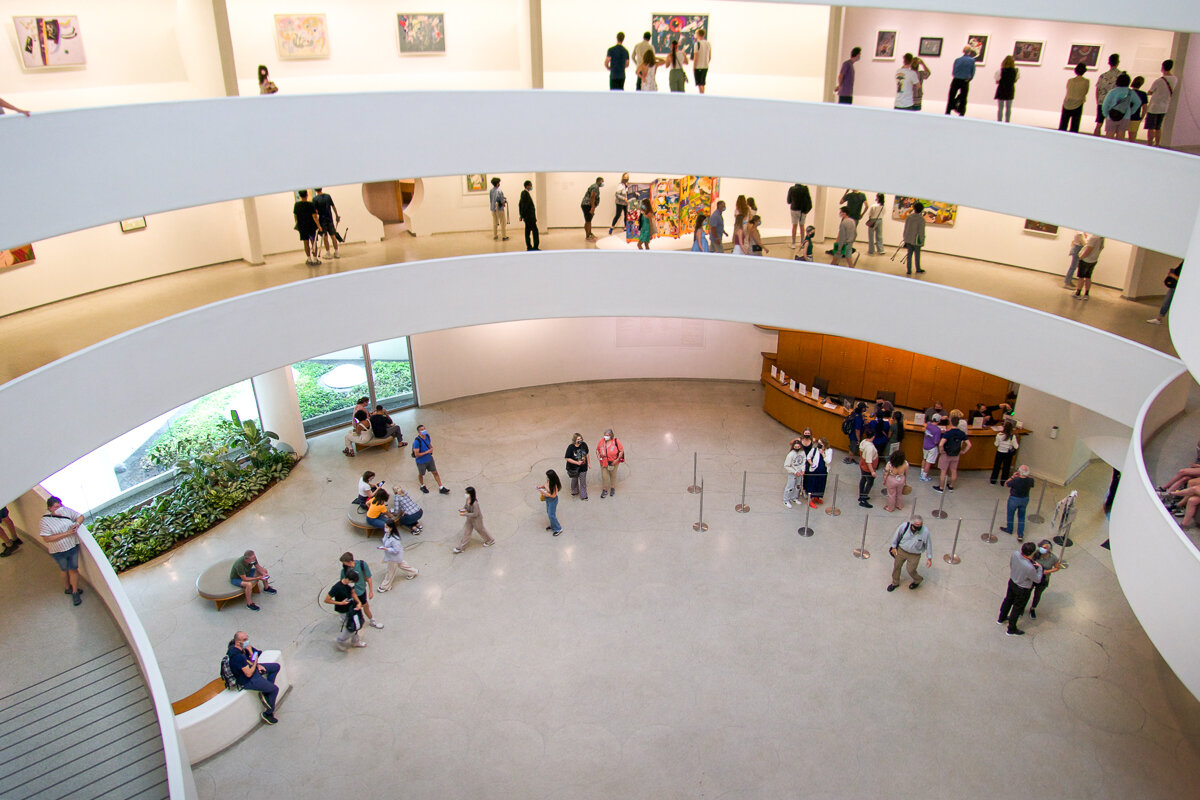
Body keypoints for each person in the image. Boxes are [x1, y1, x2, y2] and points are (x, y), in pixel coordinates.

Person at [226, 631, 281, 724]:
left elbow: (255, 655)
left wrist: (252, 653)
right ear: (237, 642)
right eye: (244, 640)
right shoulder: (237, 656)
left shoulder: (244, 648)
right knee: (275, 689)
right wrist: (255, 664)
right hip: (248, 680)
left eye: (247, 638)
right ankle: (268, 713)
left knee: (275, 667)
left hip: (253, 669)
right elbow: (248, 674)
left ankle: (266, 692)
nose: (247, 641)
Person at [40, 496, 85, 606]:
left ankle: (74, 591)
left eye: (59, 506)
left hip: (72, 546)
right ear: (50, 508)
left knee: (73, 569)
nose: (59, 508)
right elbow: (46, 538)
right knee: (64, 569)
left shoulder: (66, 511)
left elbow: (80, 516)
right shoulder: (44, 521)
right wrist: (67, 533)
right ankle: (67, 587)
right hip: (58, 551)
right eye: (56, 507)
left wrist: (77, 524)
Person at [997, 542, 1043, 635]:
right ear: (1032, 553)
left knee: (1008, 600)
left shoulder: (1015, 554)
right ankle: (1011, 629)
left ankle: (1001, 618)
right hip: (1022, 589)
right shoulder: (1029, 567)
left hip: (1012, 582)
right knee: (1017, 608)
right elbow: (1037, 580)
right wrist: (1040, 569)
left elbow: (1011, 565)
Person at [324, 570, 367, 650]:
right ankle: (340, 640)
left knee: (355, 625)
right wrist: (341, 603)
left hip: (351, 608)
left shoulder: (348, 586)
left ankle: (355, 641)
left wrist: (359, 602)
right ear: (349, 579)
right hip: (343, 610)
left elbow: (353, 593)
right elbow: (327, 600)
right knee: (351, 627)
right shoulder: (336, 587)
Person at [887, 515, 932, 591]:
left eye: (920, 525)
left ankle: (918, 580)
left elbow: (929, 544)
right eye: (917, 525)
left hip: (915, 554)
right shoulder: (904, 526)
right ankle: (895, 583)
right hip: (902, 551)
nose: (919, 526)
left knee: (911, 570)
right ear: (912, 523)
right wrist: (894, 547)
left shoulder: (925, 531)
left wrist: (929, 558)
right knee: (897, 566)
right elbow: (896, 535)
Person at [340, 552, 383, 629]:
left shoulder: (362, 565)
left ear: (350, 562)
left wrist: (370, 591)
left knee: (363, 606)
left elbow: (369, 578)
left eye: (345, 563)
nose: (344, 564)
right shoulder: (344, 571)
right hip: (352, 593)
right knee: (362, 606)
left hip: (361, 591)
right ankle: (369, 621)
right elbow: (342, 583)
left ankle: (370, 620)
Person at [1145, 60, 1178, 147]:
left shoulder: (1159, 81)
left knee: (1151, 127)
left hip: (1154, 106)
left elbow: (1150, 91)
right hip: (1164, 106)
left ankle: (1149, 144)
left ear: (1162, 67)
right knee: (1158, 127)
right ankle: (1157, 144)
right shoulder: (1175, 79)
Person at [934, 412, 970, 492]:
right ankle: (951, 486)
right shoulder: (961, 433)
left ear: (951, 422)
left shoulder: (948, 433)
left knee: (943, 471)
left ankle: (941, 487)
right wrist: (963, 451)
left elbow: (941, 444)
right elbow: (969, 444)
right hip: (956, 454)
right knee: (954, 470)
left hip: (946, 454)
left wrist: (941, 451)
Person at [1000, 465, 1036, 541]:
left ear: (1019, 472)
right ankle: (1020, 534)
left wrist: (1012, 477)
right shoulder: (1031, 480)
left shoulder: (1015, 480)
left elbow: (1005, 484)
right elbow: (1032, 485)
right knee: (1021, 516)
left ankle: (1009, 529)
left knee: (1010, 514)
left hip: (1014, 499)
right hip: (1025, 499)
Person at [453, 486, 495, 553]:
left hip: (477, 520)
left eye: (466, 493)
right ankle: (461, 547)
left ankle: (490, 540)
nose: (465, 494)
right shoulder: (467, 500)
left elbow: (475, 514)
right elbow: (466, 506)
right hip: (470, 519)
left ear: (470, 494)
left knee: (481, 530)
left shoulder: (475, 504)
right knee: (467, 532)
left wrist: (465, 514)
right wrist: (462, 510)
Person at [1101, 73, 1142, 140]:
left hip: (1112, 115)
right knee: (1121, 134)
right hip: (1125, 116)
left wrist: (1105, 114)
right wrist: (1131, 112)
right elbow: (1138, 102)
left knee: (1109, 135)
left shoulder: (1113, 92)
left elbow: (1105, 104)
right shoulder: (1131, 92)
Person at [412, 424, 451, 494]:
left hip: (429, 459)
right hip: (421, 461)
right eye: (422, 430)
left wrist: (431, 448)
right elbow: (416, 454)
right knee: (421, 474)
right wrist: (427, 452)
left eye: (424, 429)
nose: (424, 430)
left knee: (435, 472)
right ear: (419, 432)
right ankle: (422, 485)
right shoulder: (417, 442)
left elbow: (429, 444)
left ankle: (441, 487)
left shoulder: (427, 436)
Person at [1029, 539, 1062, 619]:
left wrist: (1047, 571)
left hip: (1043, 579)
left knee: (1037, 595)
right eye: (1041, 547)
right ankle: (1021, 607)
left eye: (1045, 547)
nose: (1042, 549)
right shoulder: (1036, 553)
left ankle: (1033, 608)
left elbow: (1057, 568)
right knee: (1027, 592)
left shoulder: (1053, 558)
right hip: (1033, 577)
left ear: (1049, 549)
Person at [1092, 53, 1122, 136]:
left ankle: (1095, 140)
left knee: (1099, 123)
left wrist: (1098, 101)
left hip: (1102, 101)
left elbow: (1098, 90)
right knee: (1112, 125)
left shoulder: (1103, 76)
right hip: (1114, 103)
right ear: (1118, 62)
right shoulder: (1120, 76)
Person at [1059, 63, 1090, 133]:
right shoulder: (1086, 81)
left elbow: (1068, 89)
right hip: (1078, 104)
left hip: (1067, 103)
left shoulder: (1070, 80)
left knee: (1063, 125)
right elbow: (1085, 92)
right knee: (1074, 127)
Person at [292, 189, 321, 266]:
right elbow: (314, 216)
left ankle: (309, 259)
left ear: (300, 196)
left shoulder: (296, 205)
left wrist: (298, 224)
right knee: (313, 242)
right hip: (311, 226)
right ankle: (315, 259)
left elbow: (295, 216)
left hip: (302, 226)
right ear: (307, 195)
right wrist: (319, 226)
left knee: (306, 243)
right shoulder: (311, 204)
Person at [946, 46, 977, 116]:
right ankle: (962, 112)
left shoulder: (957, 60)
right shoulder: (972, 61)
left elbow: (954, 71)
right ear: (970, 52)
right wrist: (969, 79)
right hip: (965, 81)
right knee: (963, 97)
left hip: (956, 80)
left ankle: (948, 111)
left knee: (951, 96)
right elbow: (973, 72)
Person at [1073, 233, 1105, 301]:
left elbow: (1089, 250)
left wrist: (1081, 257)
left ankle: (1078, 293)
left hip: (1086, 260)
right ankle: (1086, 294)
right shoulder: (1101, 238)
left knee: (1081, 277)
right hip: (1093, 260)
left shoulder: (1093, 238)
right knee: (1088, 277)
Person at [312, 188, 340, 260]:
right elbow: (333, 206)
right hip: (329, 219)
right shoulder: (328, 196)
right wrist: (337, 215)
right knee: (333, 235)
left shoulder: (315, 199)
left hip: (322, 220)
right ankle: (336, 252)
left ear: (315, 190)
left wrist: (317, 223)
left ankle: (328, 253)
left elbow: (316, 212)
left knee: (325, 237)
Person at [596, 428, 624, 498]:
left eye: (607, 435)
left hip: (614, 462)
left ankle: (612, 488)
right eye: (605, 435)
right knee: (604, 476)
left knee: (613, 475)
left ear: (611, 436)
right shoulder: (601, 441)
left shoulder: (616, 441)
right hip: (604, 462)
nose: (605, 436)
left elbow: (621, 451)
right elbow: (597, 449)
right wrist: (598, 455)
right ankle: (604, 489)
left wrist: (617, 460)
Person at [991, 420, 1020, 484]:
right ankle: (1003, 482)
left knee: (996, 467)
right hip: (1007, 454)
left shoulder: (999, 435)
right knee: (1006, 468)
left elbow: (996, 444)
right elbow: (1016, 447)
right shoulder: (1012, 437)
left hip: (999, 452)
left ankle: (993, 481)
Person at [804, 438, 831, 507]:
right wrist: (811, 464)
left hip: (823, 471)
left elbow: (828, 461)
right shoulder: (814, 450)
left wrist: (822, 453)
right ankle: (810, 500)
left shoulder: (829, 451)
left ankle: (817, 497)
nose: (819, 445)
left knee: (821, 484)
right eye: (818, 443)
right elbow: (808, 457)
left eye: (821, 444)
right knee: (812, 484)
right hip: (814, 470)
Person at [902, 201, 927, 275]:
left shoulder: (909, 217)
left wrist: (905, 238)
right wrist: (922, 241)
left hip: (909, 239)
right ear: (921, 209)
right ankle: (918, 268)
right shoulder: (921, 219)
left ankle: (909, 270)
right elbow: (921, 232)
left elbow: (906, 228)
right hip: (917, 240)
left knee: (909, 255)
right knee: (917, 255)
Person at [858, 423, 879, 509]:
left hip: (862, 464)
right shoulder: (870, 448)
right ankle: (863, 499)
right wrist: (872, 472)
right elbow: (869, 462)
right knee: (869, 482)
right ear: (873, 436)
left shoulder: (863, 442)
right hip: (867, 468)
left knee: (863, 479)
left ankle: (861, 495)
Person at [787, 183, 813, 249]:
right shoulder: (805, 189)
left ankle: (793, 244)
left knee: (794, 226)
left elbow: (788, 201)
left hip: (794, 209)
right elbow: (809, 200)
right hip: (803, 210)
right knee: (802, 226)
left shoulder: (792, 189)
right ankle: (802, 243)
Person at [538, 470, 564, 536]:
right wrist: (541, 487)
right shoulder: (548, 481)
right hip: (547, 499)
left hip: (552, 500)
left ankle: (558, 529)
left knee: (551, 515)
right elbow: (545, 485)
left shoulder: (554, 485)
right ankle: (553, 525)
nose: (547, 477)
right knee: (549, 513)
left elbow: (553, 495)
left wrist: (544, 492)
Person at [565, 432, 590, 500]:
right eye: (578, 439)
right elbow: (567, 458)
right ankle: (574, 491)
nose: (580, 440)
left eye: (581, 438)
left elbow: (587, 454)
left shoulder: (584, 445)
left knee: (583, 482)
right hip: (574, 468)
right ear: (574, 440)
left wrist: (589, 463)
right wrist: (577, 463)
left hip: (583, 467)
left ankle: (584, 495)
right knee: (574, 479)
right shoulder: (571, 447)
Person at [994, 55, 1019, 123]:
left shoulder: (1000, 71)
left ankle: (999, 121)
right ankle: (1007, 121)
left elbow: (997, 79)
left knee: (1000, 108)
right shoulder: (1015, 71)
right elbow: (1016, 80)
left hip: (1001, 89)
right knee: (1008, 108)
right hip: (1010, 89)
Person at [783, 437, 806, 509]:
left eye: (798, 446)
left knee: (798, 486)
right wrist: (795, 472)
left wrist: (803, 470)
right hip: (793, 474)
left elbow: (803, 461)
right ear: (793, 447)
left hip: (800, 473)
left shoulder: (802, 452)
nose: (797, 448)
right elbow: (786, 466)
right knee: (790, 487)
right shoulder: (790, 454)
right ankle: (786, 500)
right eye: (795, 447)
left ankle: (794, 498)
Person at [919, 414, 942, 482]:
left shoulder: (928, 424)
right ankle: (924, 477)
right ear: (939, 421)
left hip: (925, 445)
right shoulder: (938, 430)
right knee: (929, 462)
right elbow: (936, 442)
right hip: (932, 447)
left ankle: (921, 473)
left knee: (924, 459)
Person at [518, 179, 539, 251]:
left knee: (527, 232)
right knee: (534, 231)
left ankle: (529, 247)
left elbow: (521, 205)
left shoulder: (525, 193)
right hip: (529, 218)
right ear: (527, 186)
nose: (531, 186)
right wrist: (522, 215)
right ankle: (534, 247)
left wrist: (522, 215)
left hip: (528, 217)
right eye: (530, 185)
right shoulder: (524, 194)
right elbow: (524, 206)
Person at [1127, 76, 1149, 142]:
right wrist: (1142, 117)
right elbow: (1145, 108)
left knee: (1120, 135)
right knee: (1132, 138)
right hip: (1135, 117)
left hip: (1125, 116)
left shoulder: (1128, 92)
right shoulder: (1143, 94)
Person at [581, 177, 603, 241]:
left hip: (587, 205)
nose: (603, 183)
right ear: (599, 181)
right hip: (587, 205)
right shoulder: (595, 186)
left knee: (589, 220)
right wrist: (592, 207)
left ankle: (589, 233)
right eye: (602, 181)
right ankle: (588, 236)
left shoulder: (595, 186)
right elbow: (592, 196)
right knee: (588, 221)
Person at [489, 177, 508, 241]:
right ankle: (504, 236)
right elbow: (502, 201)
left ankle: (495, 235)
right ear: (497, 183)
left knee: (495, 222)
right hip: (499, 208)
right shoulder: (499, 191)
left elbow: (491, 200)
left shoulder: (491, 191)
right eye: (499, 182)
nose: (499, 183)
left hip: (492, 208)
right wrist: (504, 203)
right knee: (503, 222)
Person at [692, 29, 711, 94]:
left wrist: (694, 67)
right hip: (705, 66)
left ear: (698, 35)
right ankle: (703, 94)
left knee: (699, 84)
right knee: (702, 83)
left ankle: (702, 95)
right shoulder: (708, 43)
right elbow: (710, 57)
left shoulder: (697, 44)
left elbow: (695, 57)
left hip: (698, 67)